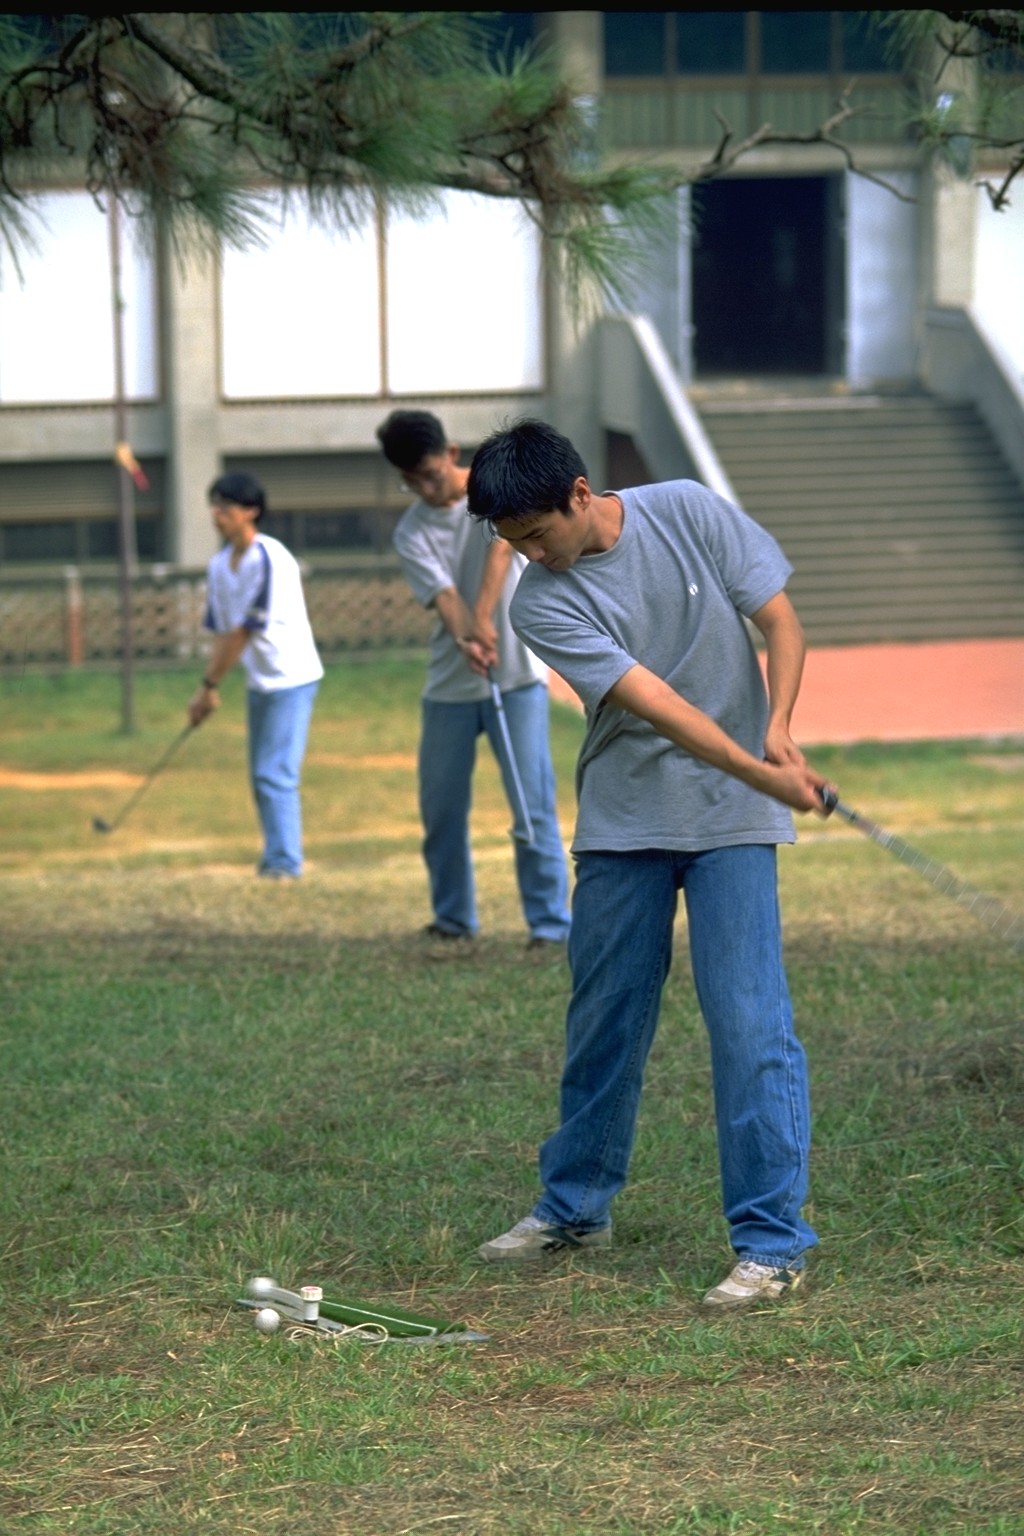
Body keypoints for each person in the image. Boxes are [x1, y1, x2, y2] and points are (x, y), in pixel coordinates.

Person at [465, 418, 835, 1308]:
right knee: (605, 1021)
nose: (530, 556)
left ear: (580, 494)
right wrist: (762, 772)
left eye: (537, 534)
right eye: (513, 544)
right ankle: (573, 1208)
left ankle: (772, 1243)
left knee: (750, 1024)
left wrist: (779, 726)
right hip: (625, 819)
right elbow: (656, 702)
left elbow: (780, 620)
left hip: (730, 823)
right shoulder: (538, 602)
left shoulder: (689, 511)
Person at [376, 409, 571, 950]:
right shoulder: (411, 530)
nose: (424, 489)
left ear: (451, 454)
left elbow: (502, 547)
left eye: (430, 475)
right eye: (411, 481)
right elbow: (443, 597)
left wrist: (484, 620)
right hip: (449, 686)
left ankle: (550, 924)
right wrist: (468, 637)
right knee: (440, 809)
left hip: (516, 677)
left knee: (531, 803)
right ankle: (454, 919)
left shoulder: (491, 492)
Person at [187, 471, 323, 879]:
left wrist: (209, 686)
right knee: (261, 774)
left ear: (251, 512)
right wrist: (207, 689)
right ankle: (276, 856)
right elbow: (222, 631)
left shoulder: (270, 558)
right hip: (260, 680)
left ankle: (284, 863)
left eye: (225, 507)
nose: (216, 514)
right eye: (214, 506)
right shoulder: (218, 565)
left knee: (274, 772)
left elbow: (243, 631)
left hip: (291, 677)